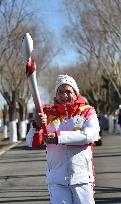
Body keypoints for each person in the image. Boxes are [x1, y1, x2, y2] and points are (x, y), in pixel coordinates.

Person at [26, 74, 100, 204]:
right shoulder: (46, 113)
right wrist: (36, 126)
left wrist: (59, 138)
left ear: (76, 93)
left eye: (68, 91)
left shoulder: (87, 111)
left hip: (81, 178)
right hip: (56, 179)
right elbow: (32, 143)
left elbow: (90, 135)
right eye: (60, 92)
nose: (64, 95)